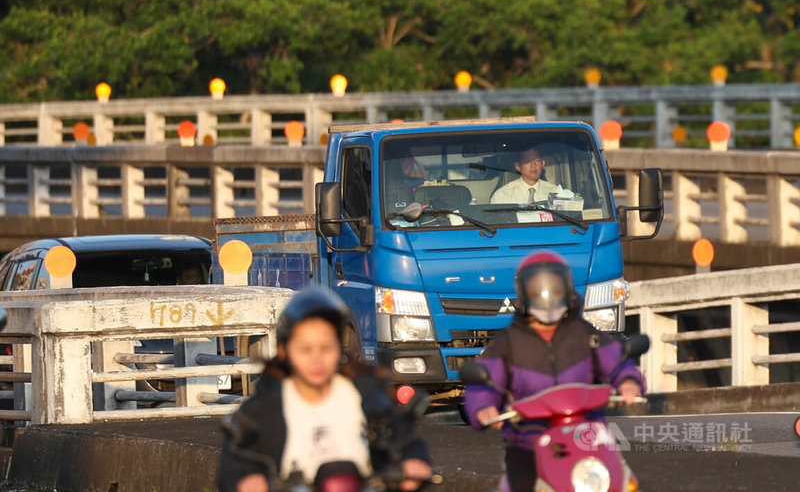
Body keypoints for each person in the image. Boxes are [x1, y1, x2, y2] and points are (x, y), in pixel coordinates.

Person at [218, 287, 432, 492]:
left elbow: (406, 439)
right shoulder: (263, 409)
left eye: (326, 348)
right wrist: (245, 480)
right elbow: (236, 462)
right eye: (305, 349)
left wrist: (414, 463)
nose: (317, 359)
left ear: (340, 347)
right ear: (284, 351)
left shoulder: (367, 395)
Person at [463, 251, 645, 492]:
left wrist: (629, 382)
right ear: (524, 294)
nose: (546, 297)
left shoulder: (585, 334)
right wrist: (483, 408)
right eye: (537, 290)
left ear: (567, 290)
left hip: (587, 436)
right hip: (527, 441)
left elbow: (618, 362)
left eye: (554, 288)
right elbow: (483, 384)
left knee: (624, 482)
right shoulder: (507, 342)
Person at [490, 148, 569, 204]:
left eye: (537, 161)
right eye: (528, 161)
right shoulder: (502, 196)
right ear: (518, 166)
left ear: (543, 164)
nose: (534, 165)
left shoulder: (555, 192)